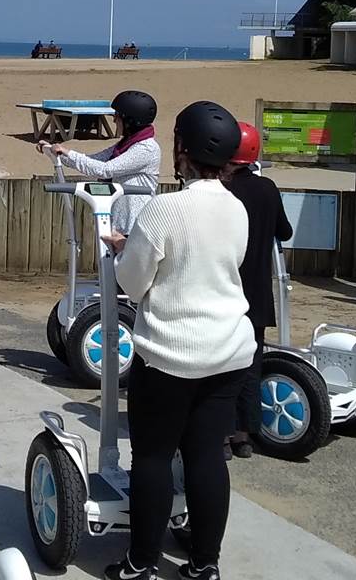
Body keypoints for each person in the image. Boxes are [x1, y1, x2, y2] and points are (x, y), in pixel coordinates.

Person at [102, 101, 254, 580]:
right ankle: (204, 564)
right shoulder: (238, 207)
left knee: (151, 458)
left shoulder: (163, 208)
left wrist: (125, 248)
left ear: (182, 150)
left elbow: (134, 283)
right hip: (229, 351)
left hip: (168, 354)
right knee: (207, 457)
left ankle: (140, 564)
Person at [221, 121, 292, 460]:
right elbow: (285, 231)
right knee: (250, 364)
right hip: (258, 293)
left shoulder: (223, 191)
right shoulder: (268, 188)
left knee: (219, 365)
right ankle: (243, 435)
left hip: (224, 289)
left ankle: (219, 435)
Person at [41, 90, 160, 234]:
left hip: (136, 228)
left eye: (117, 116)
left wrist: (67, 152)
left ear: (129, 121)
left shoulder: (146, 148)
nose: (114, 120)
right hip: (119, 225)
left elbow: (104, 170)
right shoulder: (125, 145)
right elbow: (93, 161)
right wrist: (54, 151)